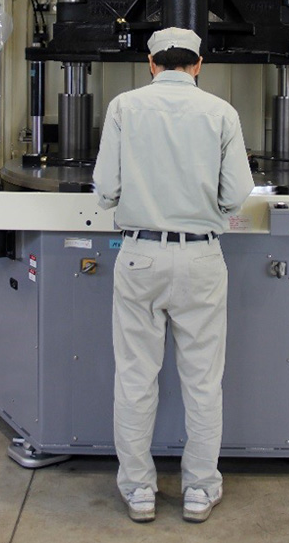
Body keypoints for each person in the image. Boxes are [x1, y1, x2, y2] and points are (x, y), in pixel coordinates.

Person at [93, 27, 255, 524]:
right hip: (202, 260)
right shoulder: (222, 113)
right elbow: (237, 194)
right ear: (198, 65)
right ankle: (200, 492)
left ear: (151, 63)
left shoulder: (124, 107)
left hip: (139, 255)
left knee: (136, 378)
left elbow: (104, 189)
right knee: (203, 382)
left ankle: (139, 491)